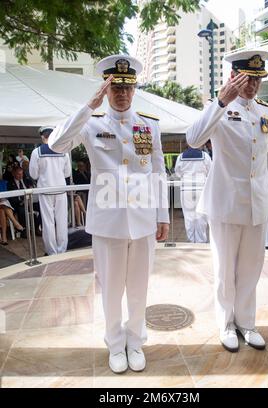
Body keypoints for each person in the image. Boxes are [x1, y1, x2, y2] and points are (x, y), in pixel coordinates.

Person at [48, 54, 169, 374]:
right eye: (115, 87)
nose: (122, 93)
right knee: (112, 287)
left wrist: (163, 215)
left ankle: (135, 341)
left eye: (127, 87)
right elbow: (57, 144)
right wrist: (89, 104)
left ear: (135, 88)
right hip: (108, 222)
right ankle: (115, 344)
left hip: (142, 221)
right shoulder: (91, 123)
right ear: (106, 87)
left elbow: (158, 172)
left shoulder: (150, 125)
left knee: (139, 286)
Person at [186, 50, 268, 352]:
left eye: (257, 79)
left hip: (257, 203)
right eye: (246, 78)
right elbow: (194, 139)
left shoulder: (267, 112)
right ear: (233, 76)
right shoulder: (219, 107)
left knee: (251, 268)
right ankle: (225, 323)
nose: (251, 85)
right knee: (225, 269)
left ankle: (247, 323)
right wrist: (221, 102)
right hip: (225, 203)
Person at [29, 126, 71, 255]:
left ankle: (52, 252)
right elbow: (67, 173)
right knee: (62, 221)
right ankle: (62, 250)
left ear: (42, 136)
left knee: (48, 223)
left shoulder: (37, 152)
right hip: (61, 189)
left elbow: (33, 175)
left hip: (45, 190)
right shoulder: (64, 151)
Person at [175, 146, 211, 242]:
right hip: (201, 188)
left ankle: (191, 241)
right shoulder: (205, 156)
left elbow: (178, 173)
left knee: (188, 217)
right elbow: (210, 171)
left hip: (186, 188)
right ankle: (201, 241)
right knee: (201, 216)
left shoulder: (181, 156)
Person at [7, 166, 30, 233]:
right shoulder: (10, 183)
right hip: (18, 204)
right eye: (18, 174)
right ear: (14, 174)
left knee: (39, 206)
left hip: (29, 201)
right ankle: (24, 230)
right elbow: (11, 198)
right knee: (22, 209)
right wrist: (21, 202)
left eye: (22, 174)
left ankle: (38, 228)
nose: (20, 176)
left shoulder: (26, 181)